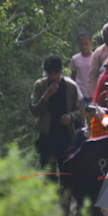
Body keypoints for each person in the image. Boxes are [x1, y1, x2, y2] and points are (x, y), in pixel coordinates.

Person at [29, 55, 84, 186]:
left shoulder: (70, 86)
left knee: (67, 178)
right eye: (50, 74)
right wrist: (46, 95)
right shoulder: (39, 86)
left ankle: (66, 205)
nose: (53, 77)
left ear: (61, 71)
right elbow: (35, 111)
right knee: (49, 179)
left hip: (67, 139)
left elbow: (79, 110)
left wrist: (71, 117)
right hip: (47, 139)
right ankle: (51, 205)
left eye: (56, 73)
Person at [68, 31, 96, 106]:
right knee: (81, 115)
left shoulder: (96, 58)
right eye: (81, 44)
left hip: (93, 92)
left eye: (86, 44)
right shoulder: (75, 59)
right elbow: (73, 77)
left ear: (91, 43)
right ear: (78, 44)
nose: (84, 46)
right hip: (80, 93)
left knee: (93, 115)